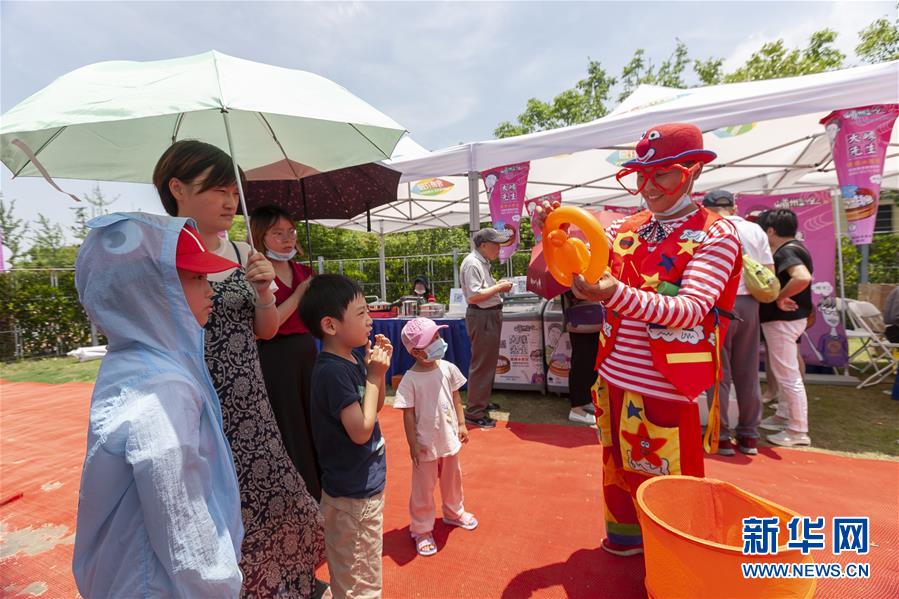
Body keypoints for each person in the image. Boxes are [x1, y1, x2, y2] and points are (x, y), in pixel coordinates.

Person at [534, 123, 742, 557]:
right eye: (641, 175)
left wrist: (616, 294)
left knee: (667, 475)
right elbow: (583, 267)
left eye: (662, 174)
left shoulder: (715, 234)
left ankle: (677, 557)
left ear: (693, 173)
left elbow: (689, 308)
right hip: (613, 376)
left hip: (665, 383)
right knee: (617, 465)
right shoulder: (626, 227)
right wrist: (553, 235)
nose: (648, 187)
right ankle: (626, 539)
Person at [154, 140, 326, 597]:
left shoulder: (241, 249)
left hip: (250, 397)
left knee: (279, 497)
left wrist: (266, 292)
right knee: (211, 503)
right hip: (195, 398)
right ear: (178, 189)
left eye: (234, 191)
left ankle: (283, 581)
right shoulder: (162, 252)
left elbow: (265, 331)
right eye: (217, 189)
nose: (231, 201)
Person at [73, 213, 243, 597]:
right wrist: (218, 586)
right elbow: (180, 517)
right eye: (196, 278)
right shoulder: (164, 388)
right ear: (149, 291)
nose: (210, 290)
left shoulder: (130, 361)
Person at [300, 274, 393, 599]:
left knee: (356, 570)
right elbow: (360, 430)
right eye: (362, 313)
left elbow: (375, 407)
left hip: (359, 489)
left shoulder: (350, 358)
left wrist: (375, 375)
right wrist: (374, 375)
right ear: (330, 325)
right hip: (351, 497)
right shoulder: (332, 371)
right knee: (360, 583)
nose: (370, 320)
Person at [250, 205, 322, 501]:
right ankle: (297, 488)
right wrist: (299, 294)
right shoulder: (255, 272)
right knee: (288, 423)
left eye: (290, 231)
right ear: (261, 236)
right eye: (277, 233)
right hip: (275, 358)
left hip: (308, 353)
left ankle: (319, 481)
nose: (287, 238)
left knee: (314, 418)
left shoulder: (304, 271)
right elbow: (264, 327)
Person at [393, 317, 478, 557]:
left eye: (438, 337)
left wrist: (461, 424)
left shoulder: (447, 368)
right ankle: (421, 529)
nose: (439, 342)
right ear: (417, 352)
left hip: (449, 439)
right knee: (423, 489)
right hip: (425, 445)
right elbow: (408, 415)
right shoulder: (410, 380)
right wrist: (413, 443)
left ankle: (454, 513)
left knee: (453, 481)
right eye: (433, 340)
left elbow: (456, 398)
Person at [701, 190, 774, 456]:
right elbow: (769, 273)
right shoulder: (756, 230)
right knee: (749, 372)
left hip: (719, 305)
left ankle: (721, 437)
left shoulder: (708, 228)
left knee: (718, 373)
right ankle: (749, 437)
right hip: (750, 304)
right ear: (734, 206)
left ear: (705, 207)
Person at [759, 209, 814, 447]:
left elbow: (802, 277)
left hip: (783, 319)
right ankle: (783, 416)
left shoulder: (786, 251)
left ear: (771, 231)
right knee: (785, 372)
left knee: (787, 374)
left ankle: (798, 429)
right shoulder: (797, 247)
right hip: (789, 319)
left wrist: (779, 297)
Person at [460, 227, 514, 428]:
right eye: (496, 244)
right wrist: (499, 287)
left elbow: (479, 291)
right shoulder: (473, 263)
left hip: (486, 315)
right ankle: (475, 411)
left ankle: (479, 403)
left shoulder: (479, 262)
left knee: (486, 362)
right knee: (483, 364)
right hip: (482, 316)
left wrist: (496, 285)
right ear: (483, 245)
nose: (499, 248)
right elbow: (474, 295)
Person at [562, 291, 600, 424]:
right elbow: (573, 292)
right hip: (581, 314)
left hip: (593, 312)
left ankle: (586, 400)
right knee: (581, 364)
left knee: (591, 363)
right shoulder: (569, 275)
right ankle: (576, 409)